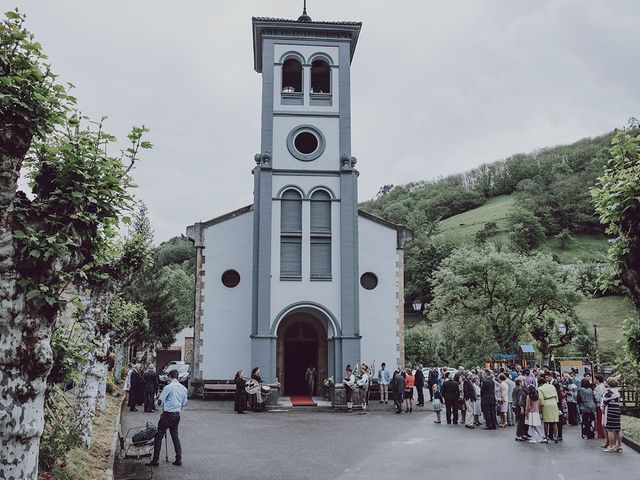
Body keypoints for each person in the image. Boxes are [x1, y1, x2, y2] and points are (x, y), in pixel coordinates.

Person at [145, 369, 188, 467]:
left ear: (170, 376)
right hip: (177, 414)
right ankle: (178, 458)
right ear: (177, 377)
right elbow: (185, 403)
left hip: (167, 414)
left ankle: (155, 460)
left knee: (158, 436)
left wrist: (158, 401)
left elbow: (160, 402)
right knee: (175, 436)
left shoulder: (168, 387)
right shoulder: (184, 389)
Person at [602, 377, 622, 452]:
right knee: (618, 428)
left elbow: (604, 402)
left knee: (610, 429)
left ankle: (611, 446)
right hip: (617, 409)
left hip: (610, 409)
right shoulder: (618, 391)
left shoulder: (608, 392)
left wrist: (603, 407)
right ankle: (619, 446)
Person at [538, 376, 559, 443]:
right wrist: (556, 402)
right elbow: (556, 395)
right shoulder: (552, 386)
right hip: (554, 402)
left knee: (546, 421)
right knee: (554, 421)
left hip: (546, 403)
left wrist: (540, 407)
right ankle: (555, 436)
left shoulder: (540, 388)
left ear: (540, 383)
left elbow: (541, 399)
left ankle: (546, 436)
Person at [594, 374, 606, 440]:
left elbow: (598, 397)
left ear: (598, 380)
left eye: (595, 379)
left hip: (599, 404)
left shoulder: (600, 387)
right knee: (599, 418)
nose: (594, 380)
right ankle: (600, 432)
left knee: (600, 418)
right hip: (599, 404)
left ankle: (601, 433)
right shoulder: (599, 386)